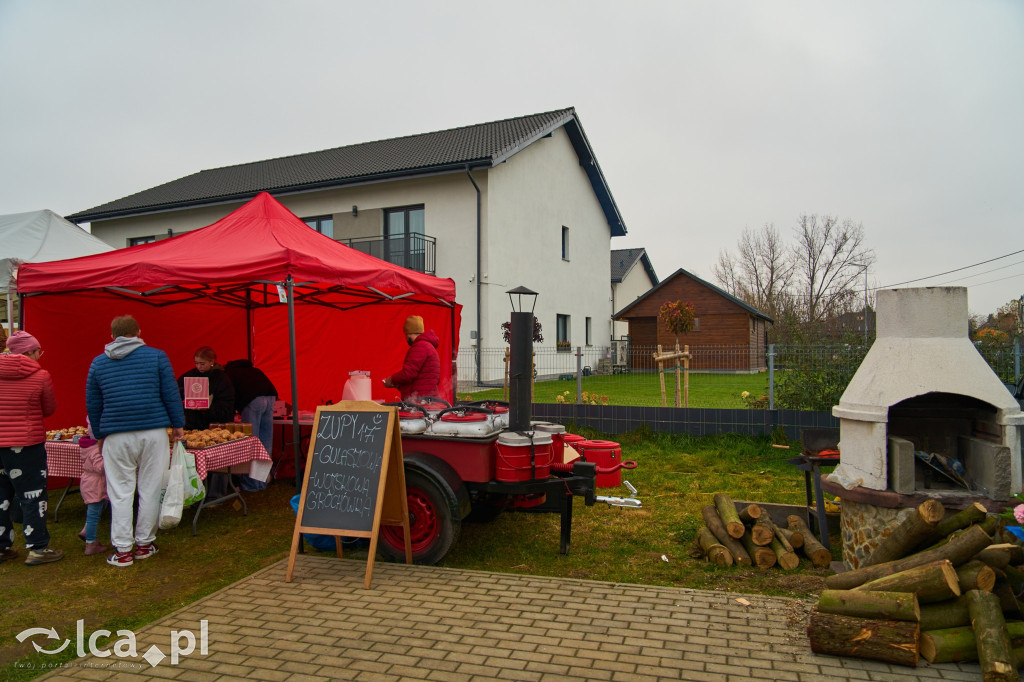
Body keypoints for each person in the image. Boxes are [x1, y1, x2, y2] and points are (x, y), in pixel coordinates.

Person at [86, 315, 185, 567]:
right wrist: (178, 425)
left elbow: (93, 404)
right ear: (139, 332)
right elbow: (170, 392)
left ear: (111, 336)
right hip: (153, 431)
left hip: (116, 434)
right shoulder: (157, 356)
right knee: (150, 488)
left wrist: (99, 434)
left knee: (120, 492)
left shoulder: (98, 363)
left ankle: (122, 551)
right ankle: (144, 544)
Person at [0, 330, 64, 566]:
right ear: (30, 351)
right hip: (26, 444)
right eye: (38, 351)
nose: (40, 355)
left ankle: (2, 546)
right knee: (32, 494)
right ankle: (37, 547)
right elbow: (48, 409)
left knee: (1, 495)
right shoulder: (41, 376)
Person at [224, 359, 277, 491]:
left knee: (251, 442)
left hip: (252, 400)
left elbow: (230, 395)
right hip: (270, 398)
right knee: (265, 443)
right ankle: (261, 481)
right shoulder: (254, 370)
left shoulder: (230, 374)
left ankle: (251, 484)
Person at [383, 315, 441, 400]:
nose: (406, 338)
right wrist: (400, 385)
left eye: (406, 334)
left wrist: (391, 380)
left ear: (409, 333)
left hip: (419, 402)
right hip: (428, 399)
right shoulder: (428, 346)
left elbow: (408, 373)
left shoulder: (419, 347)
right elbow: (423, 378)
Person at [178, 346, 235, 430]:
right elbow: (175, 393)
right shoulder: (189, 376)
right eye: (196, 363)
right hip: (192, 426)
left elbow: (227, 406)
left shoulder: (222, 378)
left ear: (211, 361)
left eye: (202, 364)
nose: (198, 367)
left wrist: (208, 408)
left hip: (215, 427)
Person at [77, 422, 108, 556]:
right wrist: (111, 459)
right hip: (95, 484)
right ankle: (91, 543)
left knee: (102, 505)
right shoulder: (96, 449)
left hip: (91, 483)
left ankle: (86, 531)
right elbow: (100, 467)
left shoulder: (89, 446)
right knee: (93, 514)